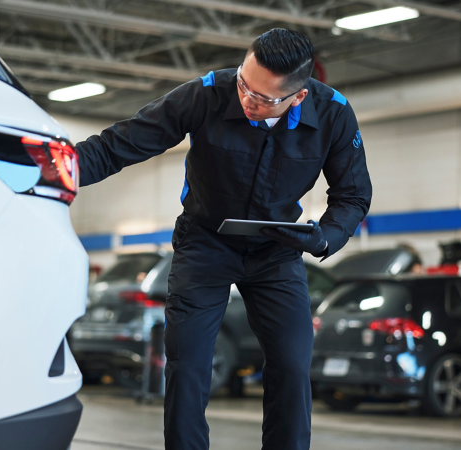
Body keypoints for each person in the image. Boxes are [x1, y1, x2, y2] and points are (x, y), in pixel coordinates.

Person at [76, 28, 371, 450]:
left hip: (278, 250)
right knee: (188, 364)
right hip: (205, 243)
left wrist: (325, 238)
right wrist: (63, 168)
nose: (247, 100)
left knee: (291, 365)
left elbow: (354, 194)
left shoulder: (334, 114)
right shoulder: (208, 93)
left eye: (263, 98)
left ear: (298, 97)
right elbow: (120, 144)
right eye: (243, 85)